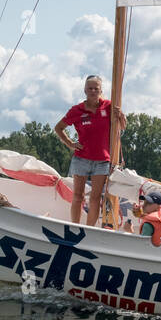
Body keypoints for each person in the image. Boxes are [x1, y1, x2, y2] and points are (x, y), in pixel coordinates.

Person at [54, 75, 126, 225]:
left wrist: (121, 116)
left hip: (102, 160)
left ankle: (89, 229)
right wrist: (69, 143)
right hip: (81, 158)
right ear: (85, 90)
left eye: (96, 88)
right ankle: (75, 226)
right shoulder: (77, 110)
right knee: (78, 195)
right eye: (90, 88)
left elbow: (123, 127)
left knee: (95, 198)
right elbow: (58, 128)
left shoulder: (109, 106)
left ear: (101, 90)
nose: (93, 91)